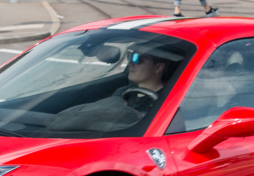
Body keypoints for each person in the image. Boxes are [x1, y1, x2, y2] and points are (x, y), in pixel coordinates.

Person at [48, 41, 181, 132]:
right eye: (129, 57)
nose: (130, 63)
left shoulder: (165, 102)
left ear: (158, 67)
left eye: (137, 59)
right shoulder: (123, 92)